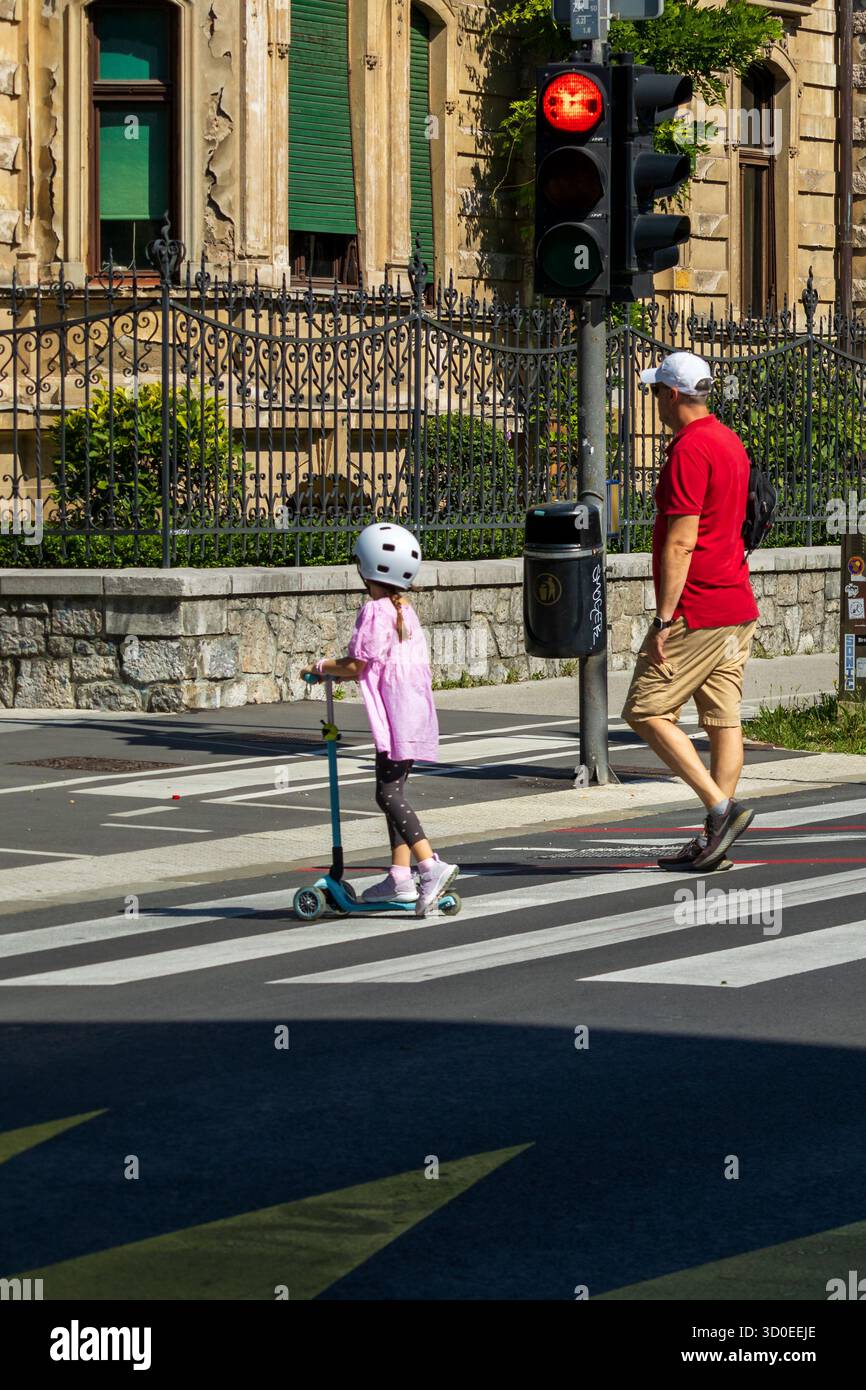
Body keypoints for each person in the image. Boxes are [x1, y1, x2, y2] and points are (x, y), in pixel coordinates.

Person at [622, 351, 759, 872]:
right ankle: (714, 842)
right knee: (724, 721)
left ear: (673, 395)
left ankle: (721, 810)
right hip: (736, 604)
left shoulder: (689, 450)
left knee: (646, 710)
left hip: (696, 609)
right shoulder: (729, 441)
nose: (655, 400)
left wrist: (662, 620)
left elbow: (681, 542)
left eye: (656, 391)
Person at [301, 523, 459, 917]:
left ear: (365, 566)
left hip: (395, 715)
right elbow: (378, 662)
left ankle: (429, 866)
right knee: (395, 791)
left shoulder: (375, 610)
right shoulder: (404, 609)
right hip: (413, 710)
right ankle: (400, 877)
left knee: (387, 795)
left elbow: (357, 665)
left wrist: (320, 666)